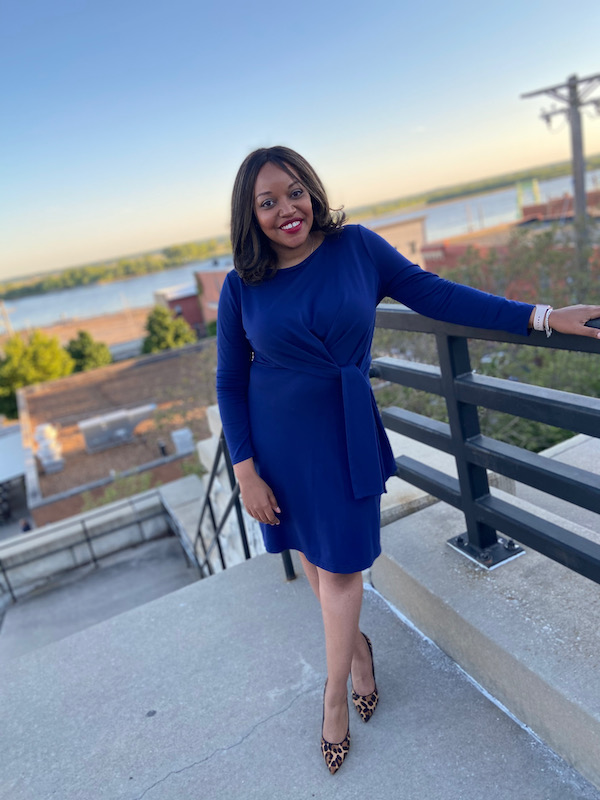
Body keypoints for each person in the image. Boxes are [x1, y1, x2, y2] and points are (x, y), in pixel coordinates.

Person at [216, 146, 600, 774]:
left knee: (340, 571)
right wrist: (245, 468)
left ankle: (334, 697)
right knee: (316, 560)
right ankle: (359, 655)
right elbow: (230, 381)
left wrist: (544, 317)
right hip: (276, 444)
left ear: (311, 190)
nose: (286, 209)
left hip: (340, 434)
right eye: (267, 201)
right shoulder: (241, 286)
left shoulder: (358, 249)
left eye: (294, 192)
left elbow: (438, 296)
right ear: (250, 215)